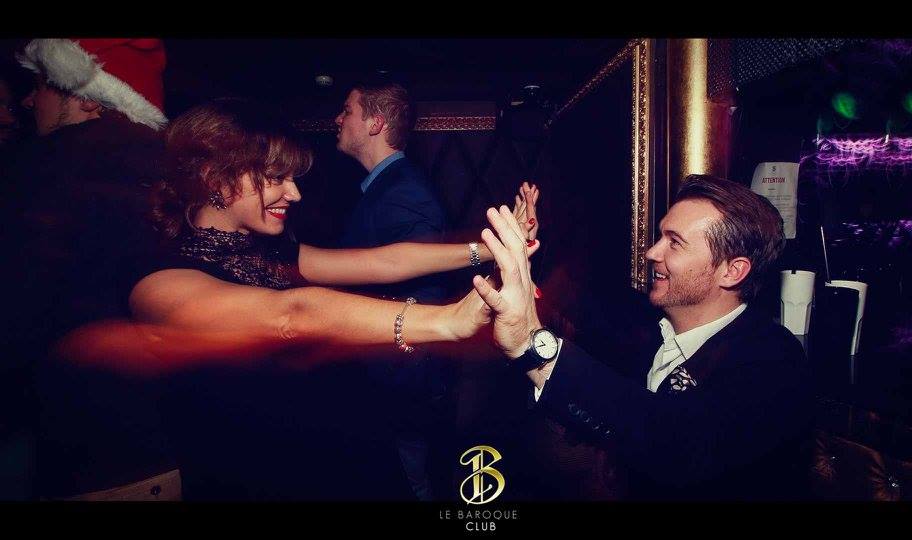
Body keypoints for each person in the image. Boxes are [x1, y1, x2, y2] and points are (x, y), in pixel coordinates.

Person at [126, 98, 537, 500]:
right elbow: (290, 315)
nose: (295, 193)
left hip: (341, 458)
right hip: (264, 480)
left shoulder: (271, 252)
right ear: (215, 178)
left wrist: (492, 248)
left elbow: (385, 262)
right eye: (276, 177)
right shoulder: (160, 280)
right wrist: (448, 320)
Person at [472, 174, 815, 500]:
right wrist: (523, 249)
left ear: (731, 271)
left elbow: (678, 445)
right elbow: (571, 295)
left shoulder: (773, 361)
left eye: (675, 243)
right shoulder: (646, 322)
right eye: (661, 236)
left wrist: (532, 347)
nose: (652, 252)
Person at [333, 81, 538, 499]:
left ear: (375, 123)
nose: (338, 118)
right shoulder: (385, 187)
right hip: (387, 376)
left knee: (413, 481)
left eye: (347, 110)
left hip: (400, 379)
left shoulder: (405, 191)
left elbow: (418, 283)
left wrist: (398, 389)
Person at [0, 38, 173, 500]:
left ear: (87, 97)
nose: (29, 100)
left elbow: (17, 306)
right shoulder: (167, 166)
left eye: (43, 84)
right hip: (154, 437)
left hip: (72, 435)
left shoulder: (38, 168)